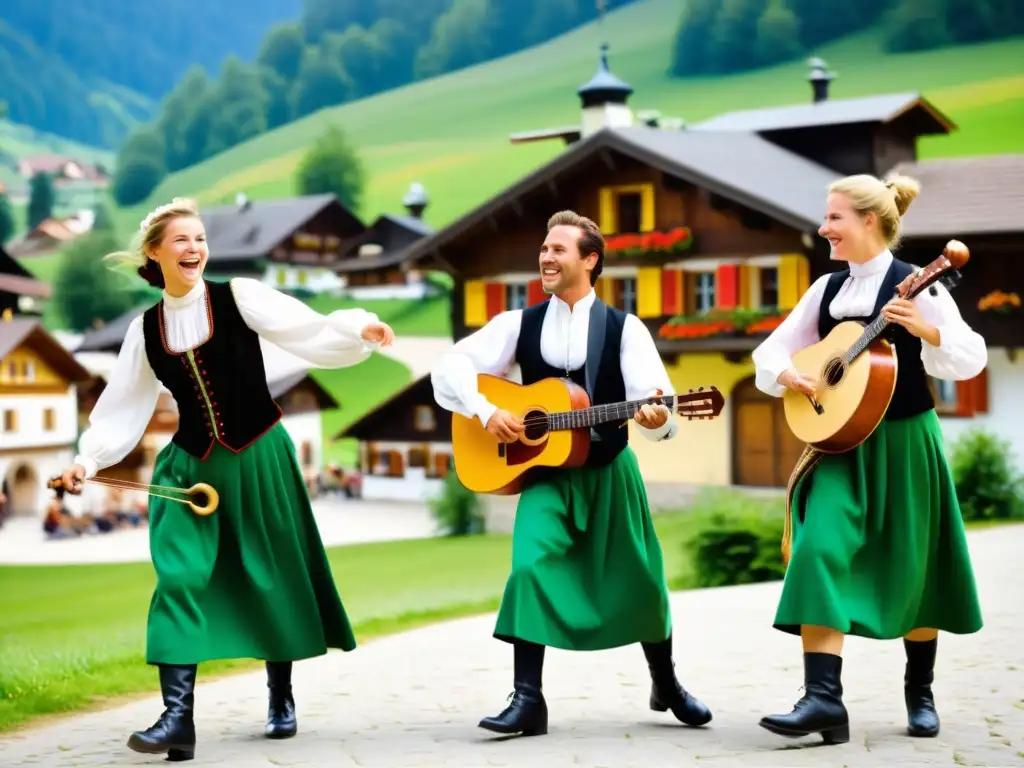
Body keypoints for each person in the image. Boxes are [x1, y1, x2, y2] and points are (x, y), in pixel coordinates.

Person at [57, 197, 395, 762]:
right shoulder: (144, 331)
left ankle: (280, 694)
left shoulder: (238, 296)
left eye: (201, 238)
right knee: (180, 578)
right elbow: (122, 410)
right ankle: (177, 719)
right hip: (190, 469)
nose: (195, 248)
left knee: (270, 573)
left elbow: (306, 329)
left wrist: (360, 329)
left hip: (259, 455)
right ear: (155, 252)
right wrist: (85, 462)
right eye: (182, 240)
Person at [430, 210, 712, 737]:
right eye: (543, 247)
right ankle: (527, 699)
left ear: (590, 260)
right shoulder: (519, 322)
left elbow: (656, 405)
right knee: (529, 569)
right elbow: (448, 367)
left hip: (608, 470)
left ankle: (666, 683)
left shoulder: (626, 329)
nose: (545, 256)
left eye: (558, 249)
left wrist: (658, 416)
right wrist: (486, 410)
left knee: (643, 580)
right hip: (544, 477)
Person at [751, 174, 986, 744]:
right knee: (816, 548)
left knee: (915, 563)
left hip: (905, 441)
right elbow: (773, 347)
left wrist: (928, 331)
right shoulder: (827, 289)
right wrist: (788, 373)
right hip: (838, 447)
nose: (823, 227)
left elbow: (970, 357)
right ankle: (823, 701)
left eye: (833, 218)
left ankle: (920, 690)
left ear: (868, 223)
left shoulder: (919, 283)